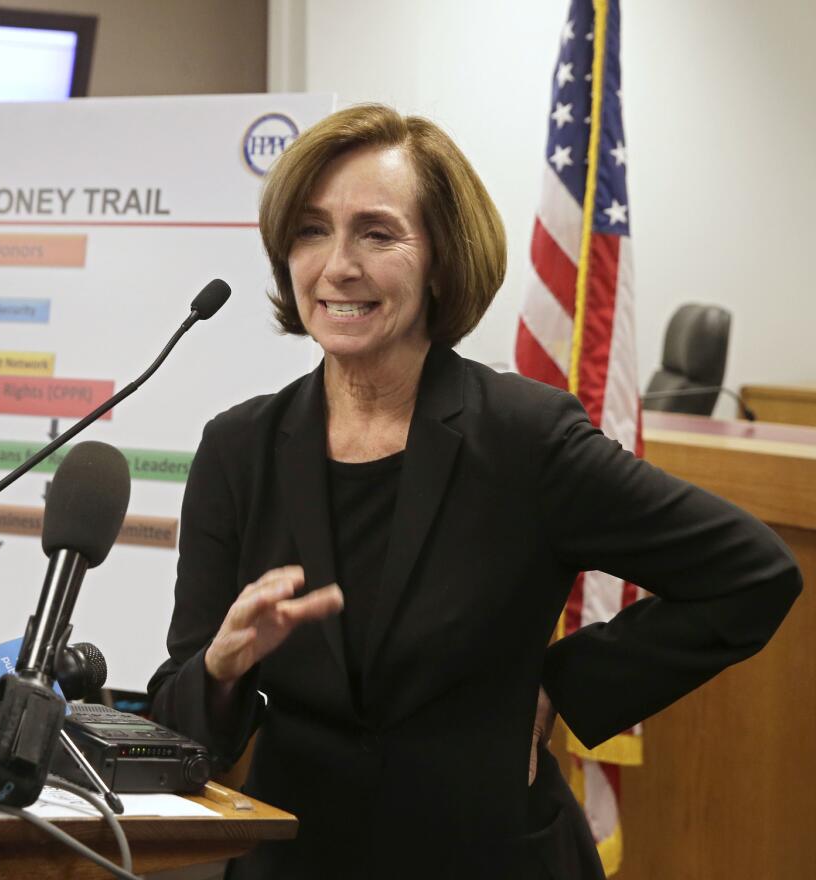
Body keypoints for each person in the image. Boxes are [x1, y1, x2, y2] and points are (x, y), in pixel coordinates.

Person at [147, 104, 800, 879]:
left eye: (378, 233)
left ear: (441, 260)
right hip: (295, 860)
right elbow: (177, 737)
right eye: (312, 230)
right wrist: (221, 670)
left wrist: (564, 688)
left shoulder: (525, 438)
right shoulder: (237, 449)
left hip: (485, 853)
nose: (337, 266)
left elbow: (752, 574)